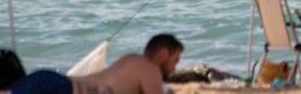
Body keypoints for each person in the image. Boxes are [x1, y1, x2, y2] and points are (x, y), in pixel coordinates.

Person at [12, 34, 183, 94]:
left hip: (52, 81)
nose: (174, 68)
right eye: (175, 60)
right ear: (163, 54)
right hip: (61, 89)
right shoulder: (148, 67)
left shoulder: (130, 61)